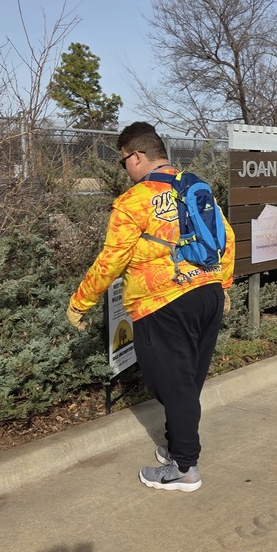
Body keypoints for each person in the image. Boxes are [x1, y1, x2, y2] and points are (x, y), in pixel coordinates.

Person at [66, 122, 235, 491]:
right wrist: (222, 284)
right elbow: (228, 236)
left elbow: (111, 261)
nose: (125, 169)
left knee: (172, 388)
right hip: (206, 292)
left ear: (138, 156)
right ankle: (178, 448)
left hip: (162, 302)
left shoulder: (133, 202)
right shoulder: (195, 185)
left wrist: (80, 302)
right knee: (187, 382)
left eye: (124, 160)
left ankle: (185, 469)